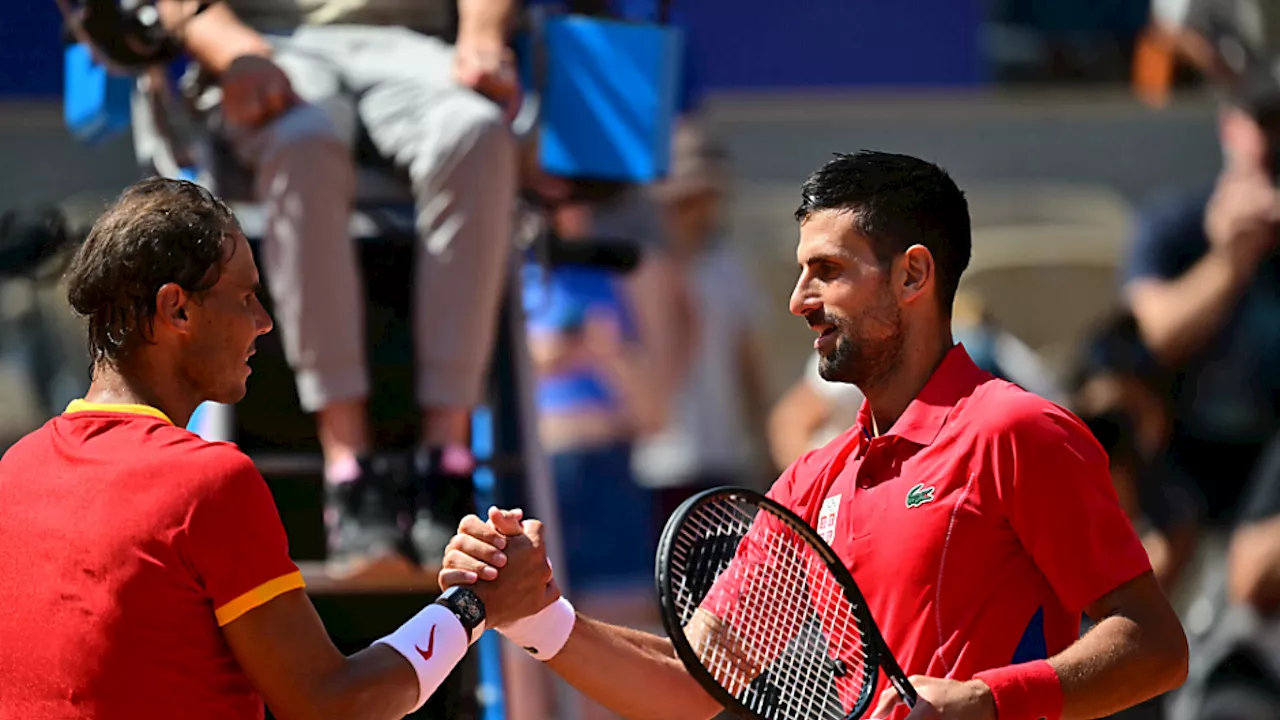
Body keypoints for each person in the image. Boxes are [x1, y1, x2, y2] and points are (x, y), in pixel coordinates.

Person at [441, 151, 1190, 720]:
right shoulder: (810, 479)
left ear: (913, 276)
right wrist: (535, 614)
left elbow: (1153, 645)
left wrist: (982, 702)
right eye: (801, 272)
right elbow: (697, 683)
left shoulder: (1016, 432)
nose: (799, 300)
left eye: (826, 271)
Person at [0, 178, 559, 719]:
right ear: (178, 310)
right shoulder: (207, 483)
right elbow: (334, 706)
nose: (264, 323)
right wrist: (474, 606)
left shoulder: (14, 470)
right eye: (245, 297)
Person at [165, 0, 523, 574]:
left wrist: (483, 35)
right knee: (302, 140)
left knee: (476, 131)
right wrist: (234, 52)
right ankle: (351, 476)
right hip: (270, 43)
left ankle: (447, 464)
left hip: (411, 47)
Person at [631, 124, 774, 529]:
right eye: (686, 199)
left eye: (704, 197)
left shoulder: (728, 266)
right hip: (646, 464)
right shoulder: (636, 267)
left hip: (719, 460)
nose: (696, 209)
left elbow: (750, 367)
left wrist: (765, 446)